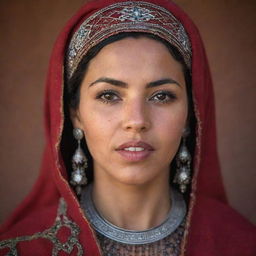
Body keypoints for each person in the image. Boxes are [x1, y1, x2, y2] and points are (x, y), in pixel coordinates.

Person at [0, 0, 255, 255]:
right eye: (109, 95)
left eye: (162, 96)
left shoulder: (239, 244)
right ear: (75, 113)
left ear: (191, 114)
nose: (136, 120)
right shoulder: (24, 247)